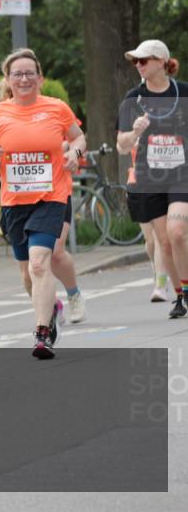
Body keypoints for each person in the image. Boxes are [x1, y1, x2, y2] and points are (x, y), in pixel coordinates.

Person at [0, 48, 86, 359]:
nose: (23, 79)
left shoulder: (57, 108)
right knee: (27, 273)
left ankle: (42, 333)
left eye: (29, 73)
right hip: (14, 201)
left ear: (40, 78)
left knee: (40, 262)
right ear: (8, 80)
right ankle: (48, 310)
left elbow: (79, 138)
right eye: (17, 74)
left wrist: (74, 153)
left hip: (51, 195)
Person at [116, 39, 188, 319]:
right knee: (165, 243)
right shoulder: (133, 99)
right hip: (149, 178)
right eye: (135, 61)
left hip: (182, 174)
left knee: (178, 231)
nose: (138, 66)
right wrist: (134, 132)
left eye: (143, 60)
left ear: (161, 61)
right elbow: (122, 145)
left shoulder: (183, 93)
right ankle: (179, 295)